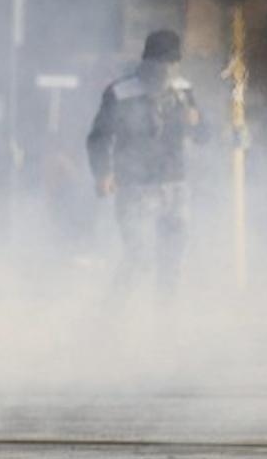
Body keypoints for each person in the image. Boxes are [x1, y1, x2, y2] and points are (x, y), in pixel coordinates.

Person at [87, 29, 208, 298]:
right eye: (159, 64)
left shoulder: (183, 91)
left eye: (170, 64)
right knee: (139, 257)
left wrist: (196, 122)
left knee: (172, 261)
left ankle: (164, 323)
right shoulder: (121, 93)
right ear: (147, 62)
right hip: (135, 188)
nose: (165, 71)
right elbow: (98, 137)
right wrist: (103, 173)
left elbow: (204, 135)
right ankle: (111, 319)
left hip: (175, 185)